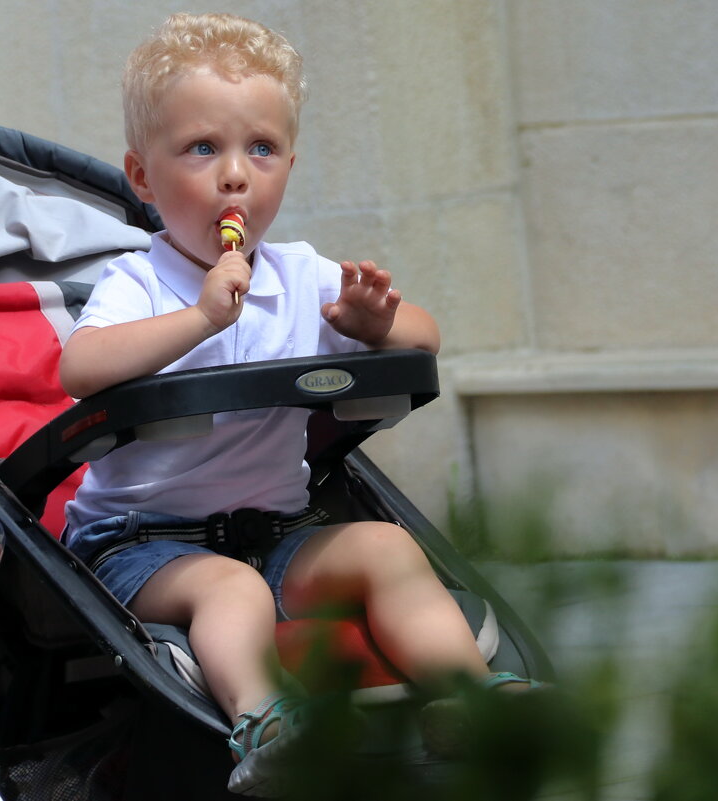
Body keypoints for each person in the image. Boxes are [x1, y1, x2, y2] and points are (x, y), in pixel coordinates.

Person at [60, 12, 537, 796]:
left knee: (384, 549)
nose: (235, 175)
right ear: (143, 177)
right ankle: (269, 724)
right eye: (202, 147)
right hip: (144, 544)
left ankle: (471, 695)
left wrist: (371, 323)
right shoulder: (138, 282)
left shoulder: (302, 275)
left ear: (289, 164)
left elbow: (427, 337)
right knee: (231, 589)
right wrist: (201, 318)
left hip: (279, 531)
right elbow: (80, 368)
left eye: (262, 149)